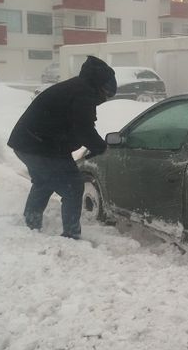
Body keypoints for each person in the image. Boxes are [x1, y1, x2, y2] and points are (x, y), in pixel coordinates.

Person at [7, 55, 117, 239]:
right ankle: (71, 235)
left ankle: (31, 225)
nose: (104, 99)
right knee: (73, 187)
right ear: (100, 87)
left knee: (43, 182)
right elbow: (83, 129)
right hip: (39, 145)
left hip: (30, 142)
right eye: (106, 94)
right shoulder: (83, 94)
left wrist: (92, 144)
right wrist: (101, 148)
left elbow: (76, 124)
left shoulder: (77, 87)